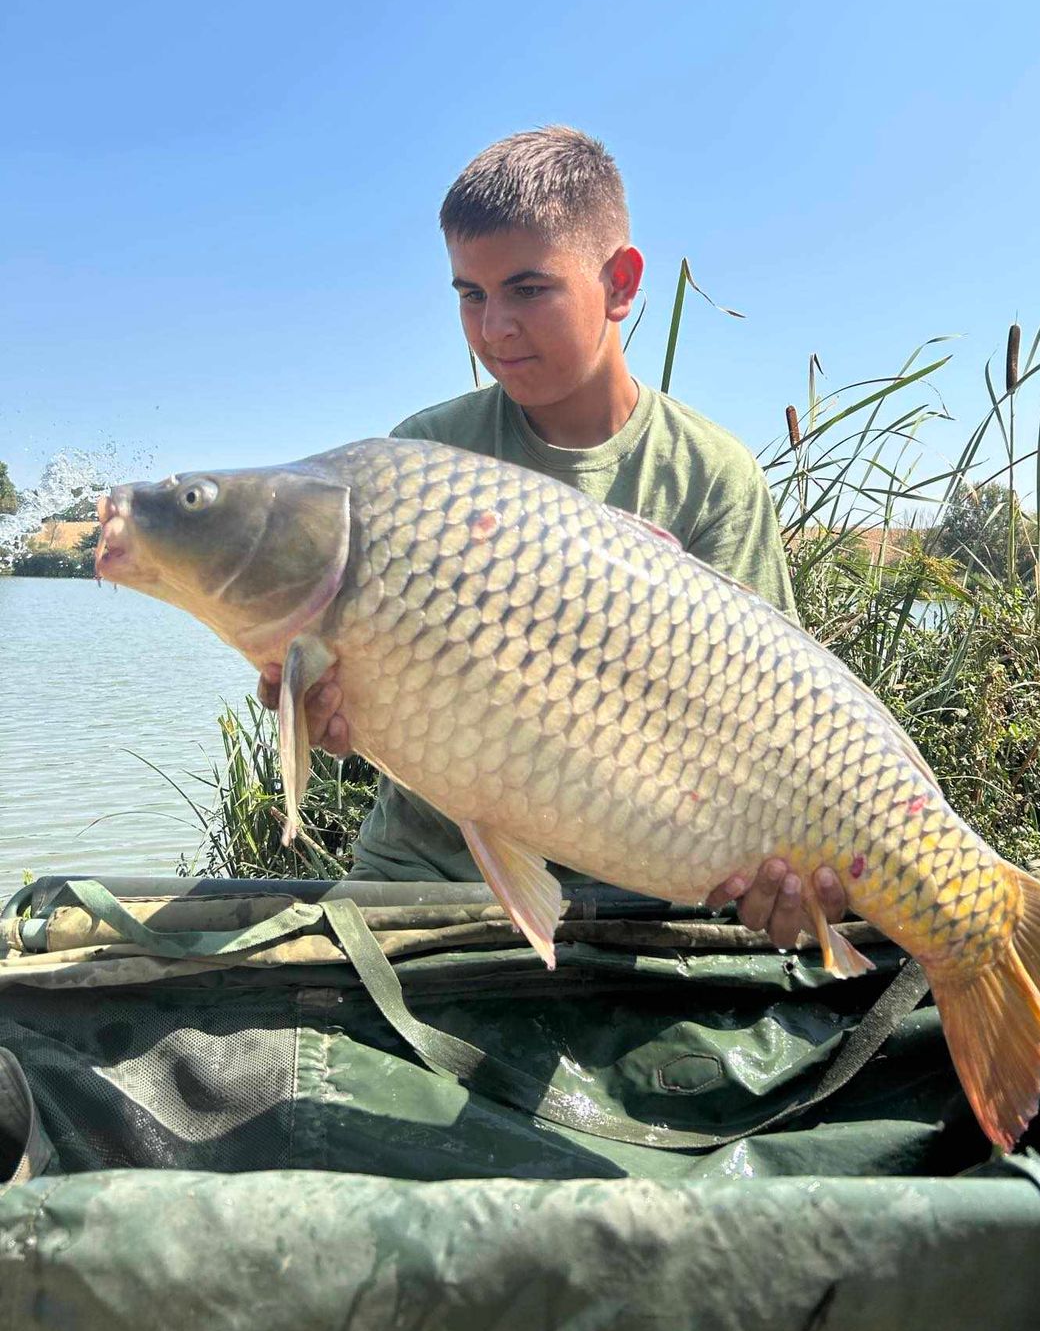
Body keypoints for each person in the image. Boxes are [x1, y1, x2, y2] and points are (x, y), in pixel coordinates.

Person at [261, 126, 846, 946]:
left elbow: (768, 732)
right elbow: (362, 722)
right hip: (422, 875)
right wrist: (315, 710)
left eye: (528, 289)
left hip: (644, 897)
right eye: (470, 294)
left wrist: (782, 867)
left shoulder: (712, 476)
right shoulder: (424, 459)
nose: (494, 326)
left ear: (620, 282)